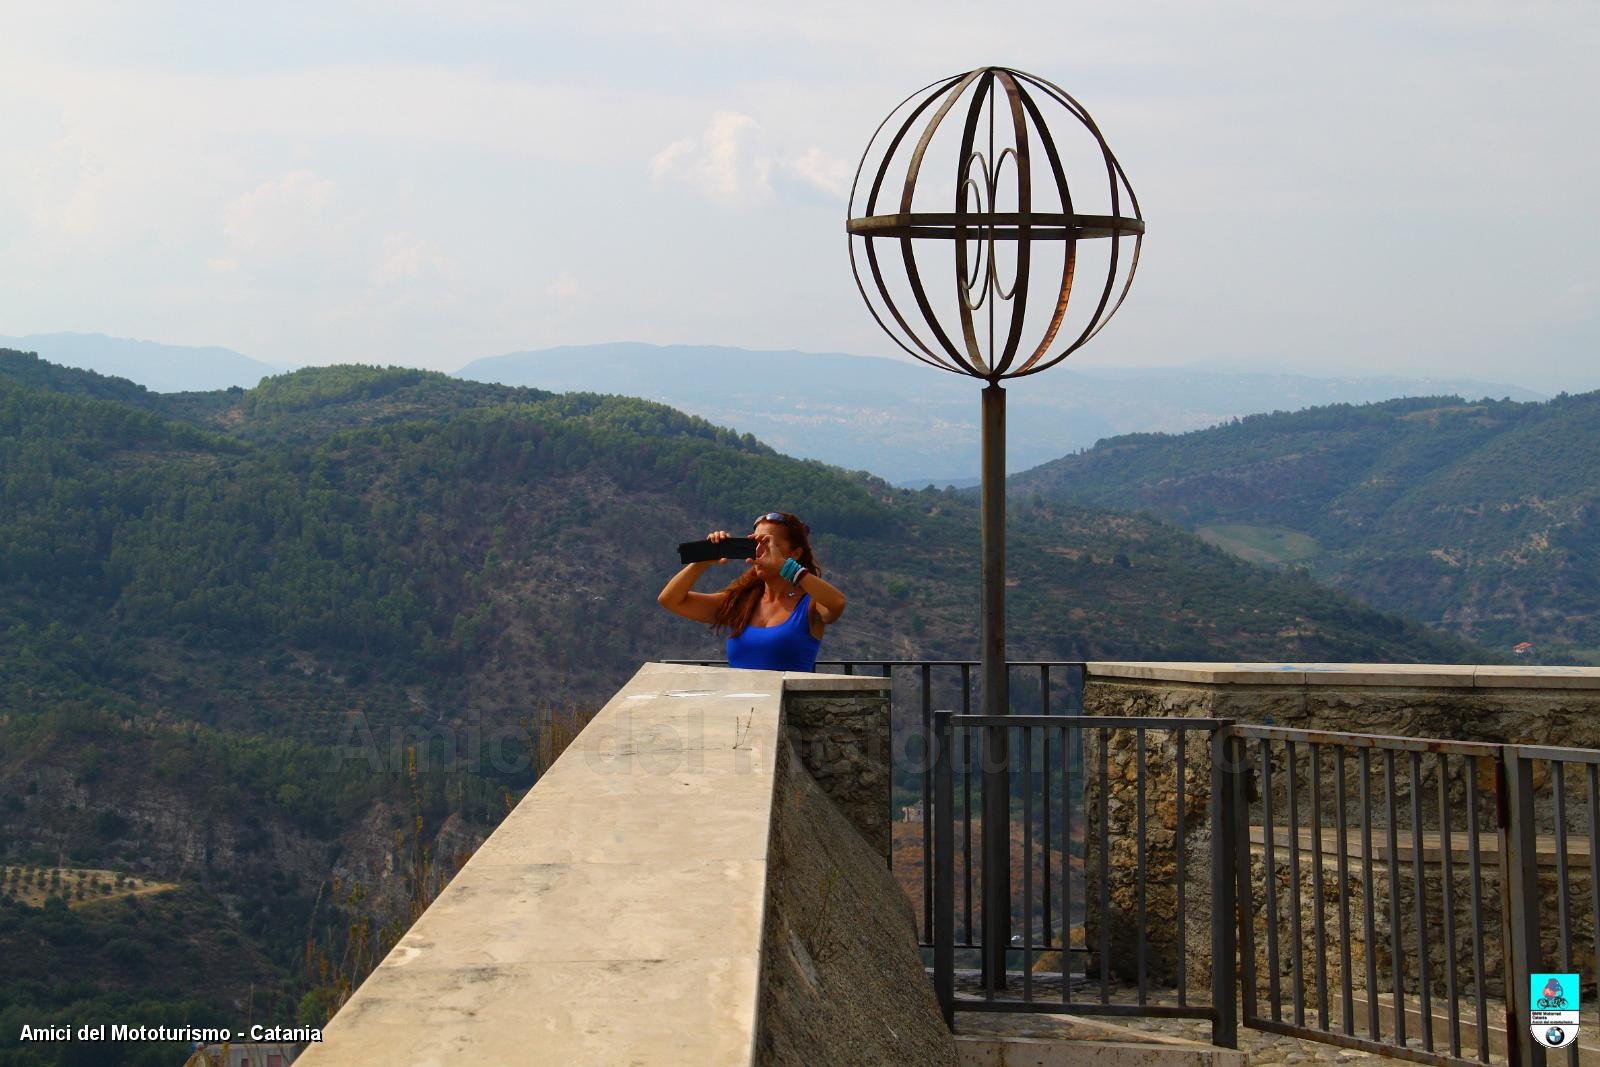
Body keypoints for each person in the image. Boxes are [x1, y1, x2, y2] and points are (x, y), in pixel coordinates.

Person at [657, 511, 847, 672]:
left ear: (795, 554)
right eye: (754, 543)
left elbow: (837, 603)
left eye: (767, 544)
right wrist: (703, 561)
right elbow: (671, 600)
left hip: (787, 711)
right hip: (741, 711)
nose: (758, 551)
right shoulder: (740, 603)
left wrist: (784, 566)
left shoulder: (810, 604)